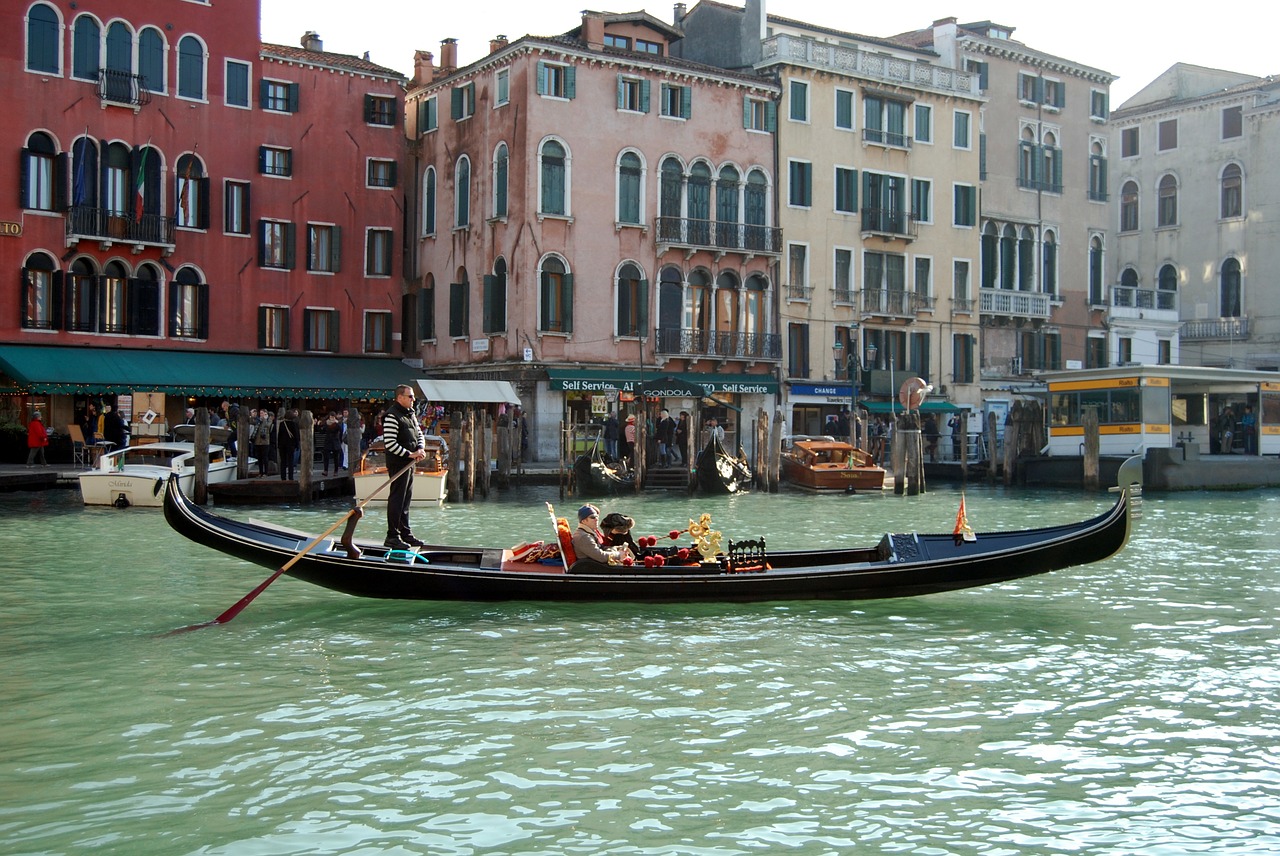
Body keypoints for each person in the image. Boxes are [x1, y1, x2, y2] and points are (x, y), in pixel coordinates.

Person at [382, 384, 428, 549]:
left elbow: (419, 433)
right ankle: (392, 536)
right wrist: (410, 454)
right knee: (397, 499)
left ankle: (405, 534)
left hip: (409, 463)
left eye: (413, 396)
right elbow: (390, 443)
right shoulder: (391, 416)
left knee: (406, 500)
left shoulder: (410, 414)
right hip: (398, 463)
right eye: (410, 396)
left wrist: (420, 449)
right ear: (399, 397)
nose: (413, 399)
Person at [570, 504, 627, 571]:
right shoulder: (584, 537)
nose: (596, 519)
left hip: (596, 565)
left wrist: (615, 548)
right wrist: (618, 555)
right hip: (592, 569)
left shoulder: (588, 533)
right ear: (583, 521)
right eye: (593, 517)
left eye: (597, 516)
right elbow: (600, 556)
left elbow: (601, 548)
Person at [276, 409, 298, 481]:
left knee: (283, 461)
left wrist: (278, 445)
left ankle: (283, 477)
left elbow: (279, 435)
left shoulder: (282, 424)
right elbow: (296, 435)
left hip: (282, 445)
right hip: (290, 444)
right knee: (290, 461)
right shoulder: (293, 424)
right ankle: (290, 477)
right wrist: (297, 444)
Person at [321, 411, 344, 476]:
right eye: (331, 417)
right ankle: (325, 470)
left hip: (335, 441)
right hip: (328, 441)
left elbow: (341, 431)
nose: (332, 418)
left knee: (336, 457)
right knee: (326, 457)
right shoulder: (326, 423)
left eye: (333, 417)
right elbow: (322, 431)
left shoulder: (337, 423)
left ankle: (336, 471)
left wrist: (337, 424)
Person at [252, 409, 273, 476]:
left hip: (265, 442)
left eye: (262, 413)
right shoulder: (258, 421)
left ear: (266, 414)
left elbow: (268, 426)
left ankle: (266, 472)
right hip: (257, 441)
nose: (261, 414)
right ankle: (260, 472)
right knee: (259, 458)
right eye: (260, 413)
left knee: (265, 457)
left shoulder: (268, 420)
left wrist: (264, 419)